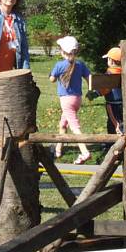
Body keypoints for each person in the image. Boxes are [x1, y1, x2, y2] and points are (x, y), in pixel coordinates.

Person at [49, 36, 92, 164]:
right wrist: (90, 91)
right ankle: (58, 149)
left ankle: (84, 152)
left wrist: (54, 76)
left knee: (75, 127)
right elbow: (89, 78)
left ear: (62, 52)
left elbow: (51, 79)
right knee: (63, 124)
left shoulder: (59, 65)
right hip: (77, 99)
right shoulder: (80, 65)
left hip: (66, 101)